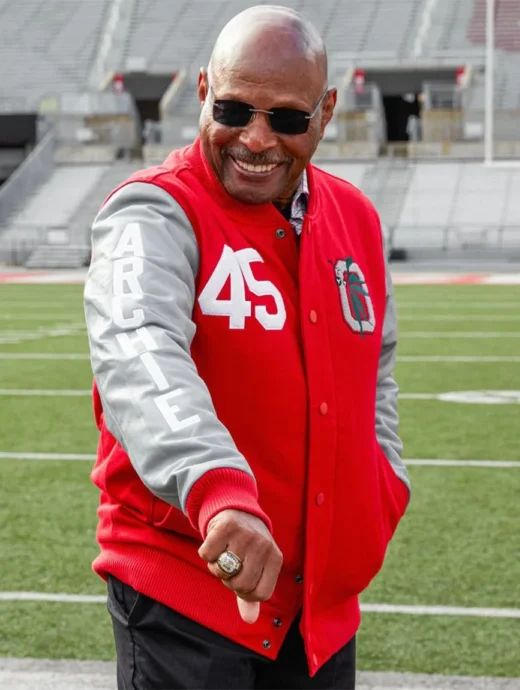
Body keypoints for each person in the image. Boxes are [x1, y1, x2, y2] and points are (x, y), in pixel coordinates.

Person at [83, 5, 411, 689]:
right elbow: (138, 351)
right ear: (203, 91)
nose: (257, 139)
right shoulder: (153, 211)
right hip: (188, 598)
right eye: (234, 110)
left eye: (287, 119)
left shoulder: (357, 217)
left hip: (319, 610)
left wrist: (382, 489)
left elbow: (375, 367)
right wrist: (217, 491)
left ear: (325, 111)